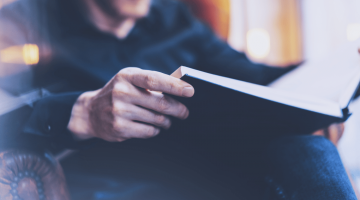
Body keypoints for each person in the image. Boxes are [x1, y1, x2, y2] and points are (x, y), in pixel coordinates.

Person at [0, 0, 357, 199]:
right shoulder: (22, 23)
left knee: (306, 149)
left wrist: (335, 71)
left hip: (211, 173)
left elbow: (254, 77)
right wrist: (84, 111)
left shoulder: (173, 18)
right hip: (112, 184)